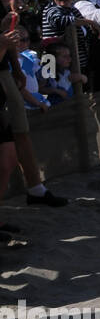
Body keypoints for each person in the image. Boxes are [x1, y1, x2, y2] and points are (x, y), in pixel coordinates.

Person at [0, 28, 67, 206]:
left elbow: (45, 79)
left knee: (19, 142)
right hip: (23, 97)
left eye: (25, 40)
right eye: (19, 40)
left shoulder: (31, 57)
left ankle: (36, 188)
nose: (21, 42)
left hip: (23, 91)